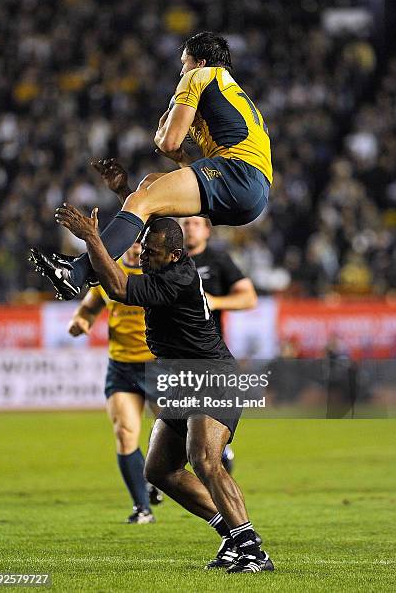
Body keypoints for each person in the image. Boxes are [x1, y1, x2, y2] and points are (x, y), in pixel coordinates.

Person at [32, 204, 274, 574]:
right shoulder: (164, 269)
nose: (143, 256)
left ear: (174, 255)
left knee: (205, 459)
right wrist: (120, 202)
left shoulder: (177, 278)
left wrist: (93, 238)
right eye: (143, 249)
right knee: (159, 470)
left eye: (151, 252)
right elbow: (128, 246)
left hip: (211, 376)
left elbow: (117, 285)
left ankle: (252, 549)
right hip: (182, 379)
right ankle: (231, 535)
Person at [31, 31, 272, 300]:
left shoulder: (200, 77)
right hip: (253, 193)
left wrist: (161, 137)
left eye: (185, 62)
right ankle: (89, 267)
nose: (182, 71)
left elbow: (167, 142)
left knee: (143, 202)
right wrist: (180, 158)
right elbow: (193, 165)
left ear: (200, 63)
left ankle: (78, 272)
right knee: (148, 187)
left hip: (238, 174)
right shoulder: (232, 95)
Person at [67, 242, 162, 524]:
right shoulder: (109, 272)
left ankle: (159, 477)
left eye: (141, 243)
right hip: (122, 365)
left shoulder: (162, 274)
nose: (135, 249)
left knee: (176, 437)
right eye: (130, 242)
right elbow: (89, 308)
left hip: (160, 366)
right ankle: (142, 508)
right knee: (124, 433)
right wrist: (80, 322)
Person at [181, 215, 258, 472]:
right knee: (174, 418)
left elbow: (249, 297)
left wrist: (216, 302)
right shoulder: (171, 260)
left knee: (201, 421)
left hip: (208, 356)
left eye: (194, 223)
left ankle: (219, 452)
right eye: (185, 224)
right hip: (174, 355)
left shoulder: (218, 260)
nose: (189, 228)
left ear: (206, 231)